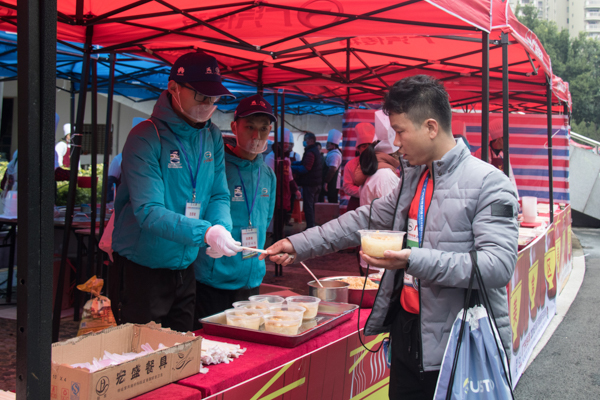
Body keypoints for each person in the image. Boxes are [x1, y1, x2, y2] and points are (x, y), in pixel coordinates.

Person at [262, 75, 518, 400]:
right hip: (406, 333)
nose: (395, 143)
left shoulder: (489, 183)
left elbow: (497, 266)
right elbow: (362, 220)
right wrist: (297, 244)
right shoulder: (414, 179)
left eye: (400, 131)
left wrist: (413, 260)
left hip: (457, 344)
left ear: (430, 127)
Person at [112, 52, 242, 333]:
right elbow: (148, 211)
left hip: (185, 267)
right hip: (143, 267)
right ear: (174, 88)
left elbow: (219, 194)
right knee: (141, 351)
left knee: (182, 346)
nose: (208, 105)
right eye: (201, 96)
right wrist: (205, 232)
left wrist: (221, 226)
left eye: (213, 98)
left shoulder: (212, 136)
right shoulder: (146, 136)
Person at [193, 94, 277, 328]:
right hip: (214, 279)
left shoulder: (268, 174)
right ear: (234, 127)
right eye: (249, 127)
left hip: (251, 278)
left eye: (263, 129)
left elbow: (266, 220)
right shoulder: (217, 168)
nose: (256, 136)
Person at [473, 118, 518, 193]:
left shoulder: (504, 155)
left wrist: (515, 196)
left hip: (502, 193)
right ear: (499, 139)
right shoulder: (481, 153)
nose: (508, 142)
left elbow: (511, 178)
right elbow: (477, 178)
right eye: (507, 138)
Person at [341, 122, 375, 213]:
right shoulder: (351, 164)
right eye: (364, 146)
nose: (367, 149)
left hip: (375, 204)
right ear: (358, 149)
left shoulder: (380, 162)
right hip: (356, 204)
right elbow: (347, 186)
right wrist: (365, 192)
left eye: (370, 145)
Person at [292, 132, 323, 229]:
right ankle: (313, 227)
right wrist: (293, 163)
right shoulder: (314, 150)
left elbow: (306, 168)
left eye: (305, 140)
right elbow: (304, 163)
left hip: (310, 184)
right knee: (313, 207)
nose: (303, 142)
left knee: (308, 207)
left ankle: (310, 227)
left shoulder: (310, 152)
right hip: (316, 183)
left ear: (311, 140)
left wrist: (291, 168)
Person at [322, 129, 343, 203]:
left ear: (334, 145)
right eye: (327, 143)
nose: (327, 145)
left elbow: (332, 169)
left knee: (332, 200)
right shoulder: (333, 152)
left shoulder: (335, 155)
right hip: (332, 180)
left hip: (333, 180)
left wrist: (326, 181)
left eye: (329, 143)